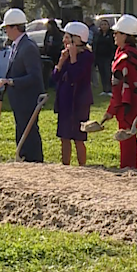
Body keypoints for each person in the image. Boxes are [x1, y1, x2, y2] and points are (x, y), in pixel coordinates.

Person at [0, 8, 44, 162]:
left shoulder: (28, 47)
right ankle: (23, 156)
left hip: (28, 98)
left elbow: (34, 76)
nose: (6, 32)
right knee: (22, 128)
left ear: (15, 27)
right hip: (20, 98)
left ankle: (33, 160)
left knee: (29, 130)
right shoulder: (18, 45)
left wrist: (11, 82)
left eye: (7, 28)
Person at [100, 15, 137, 169]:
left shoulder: (124, 58)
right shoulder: (133, 55)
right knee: (129, 138)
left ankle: (128, 170)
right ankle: (129, 168)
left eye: (117, 33)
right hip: (134, 103)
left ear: (126, 36)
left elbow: (119, 87)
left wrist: (111, 110)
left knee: (126, 139)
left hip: (126, 104)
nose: (114, 35)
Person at [53, 22, 94, 166]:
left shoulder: (87, 56)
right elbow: (54, 78)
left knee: (78, 137)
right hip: (65, 101)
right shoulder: (65, 55)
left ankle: (82, 166)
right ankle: (66, 166)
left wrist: (73, 57)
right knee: (64, 136)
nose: (64, 40)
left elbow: (76, 76)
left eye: (67, 37)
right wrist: (61, 61)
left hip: (79, 102)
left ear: (77, 39)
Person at [93, 18, 116, 96]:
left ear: (108, 26)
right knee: (102, 73)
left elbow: (113, 46)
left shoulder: (111, 34)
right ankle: (104, 90)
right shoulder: (98, 34)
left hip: (108, 57)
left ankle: (109, 90)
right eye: (102, 24)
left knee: (108, 73)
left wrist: (113, 56)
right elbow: (95, 44)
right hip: (99, 57)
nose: (103, 26)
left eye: (105, 24)